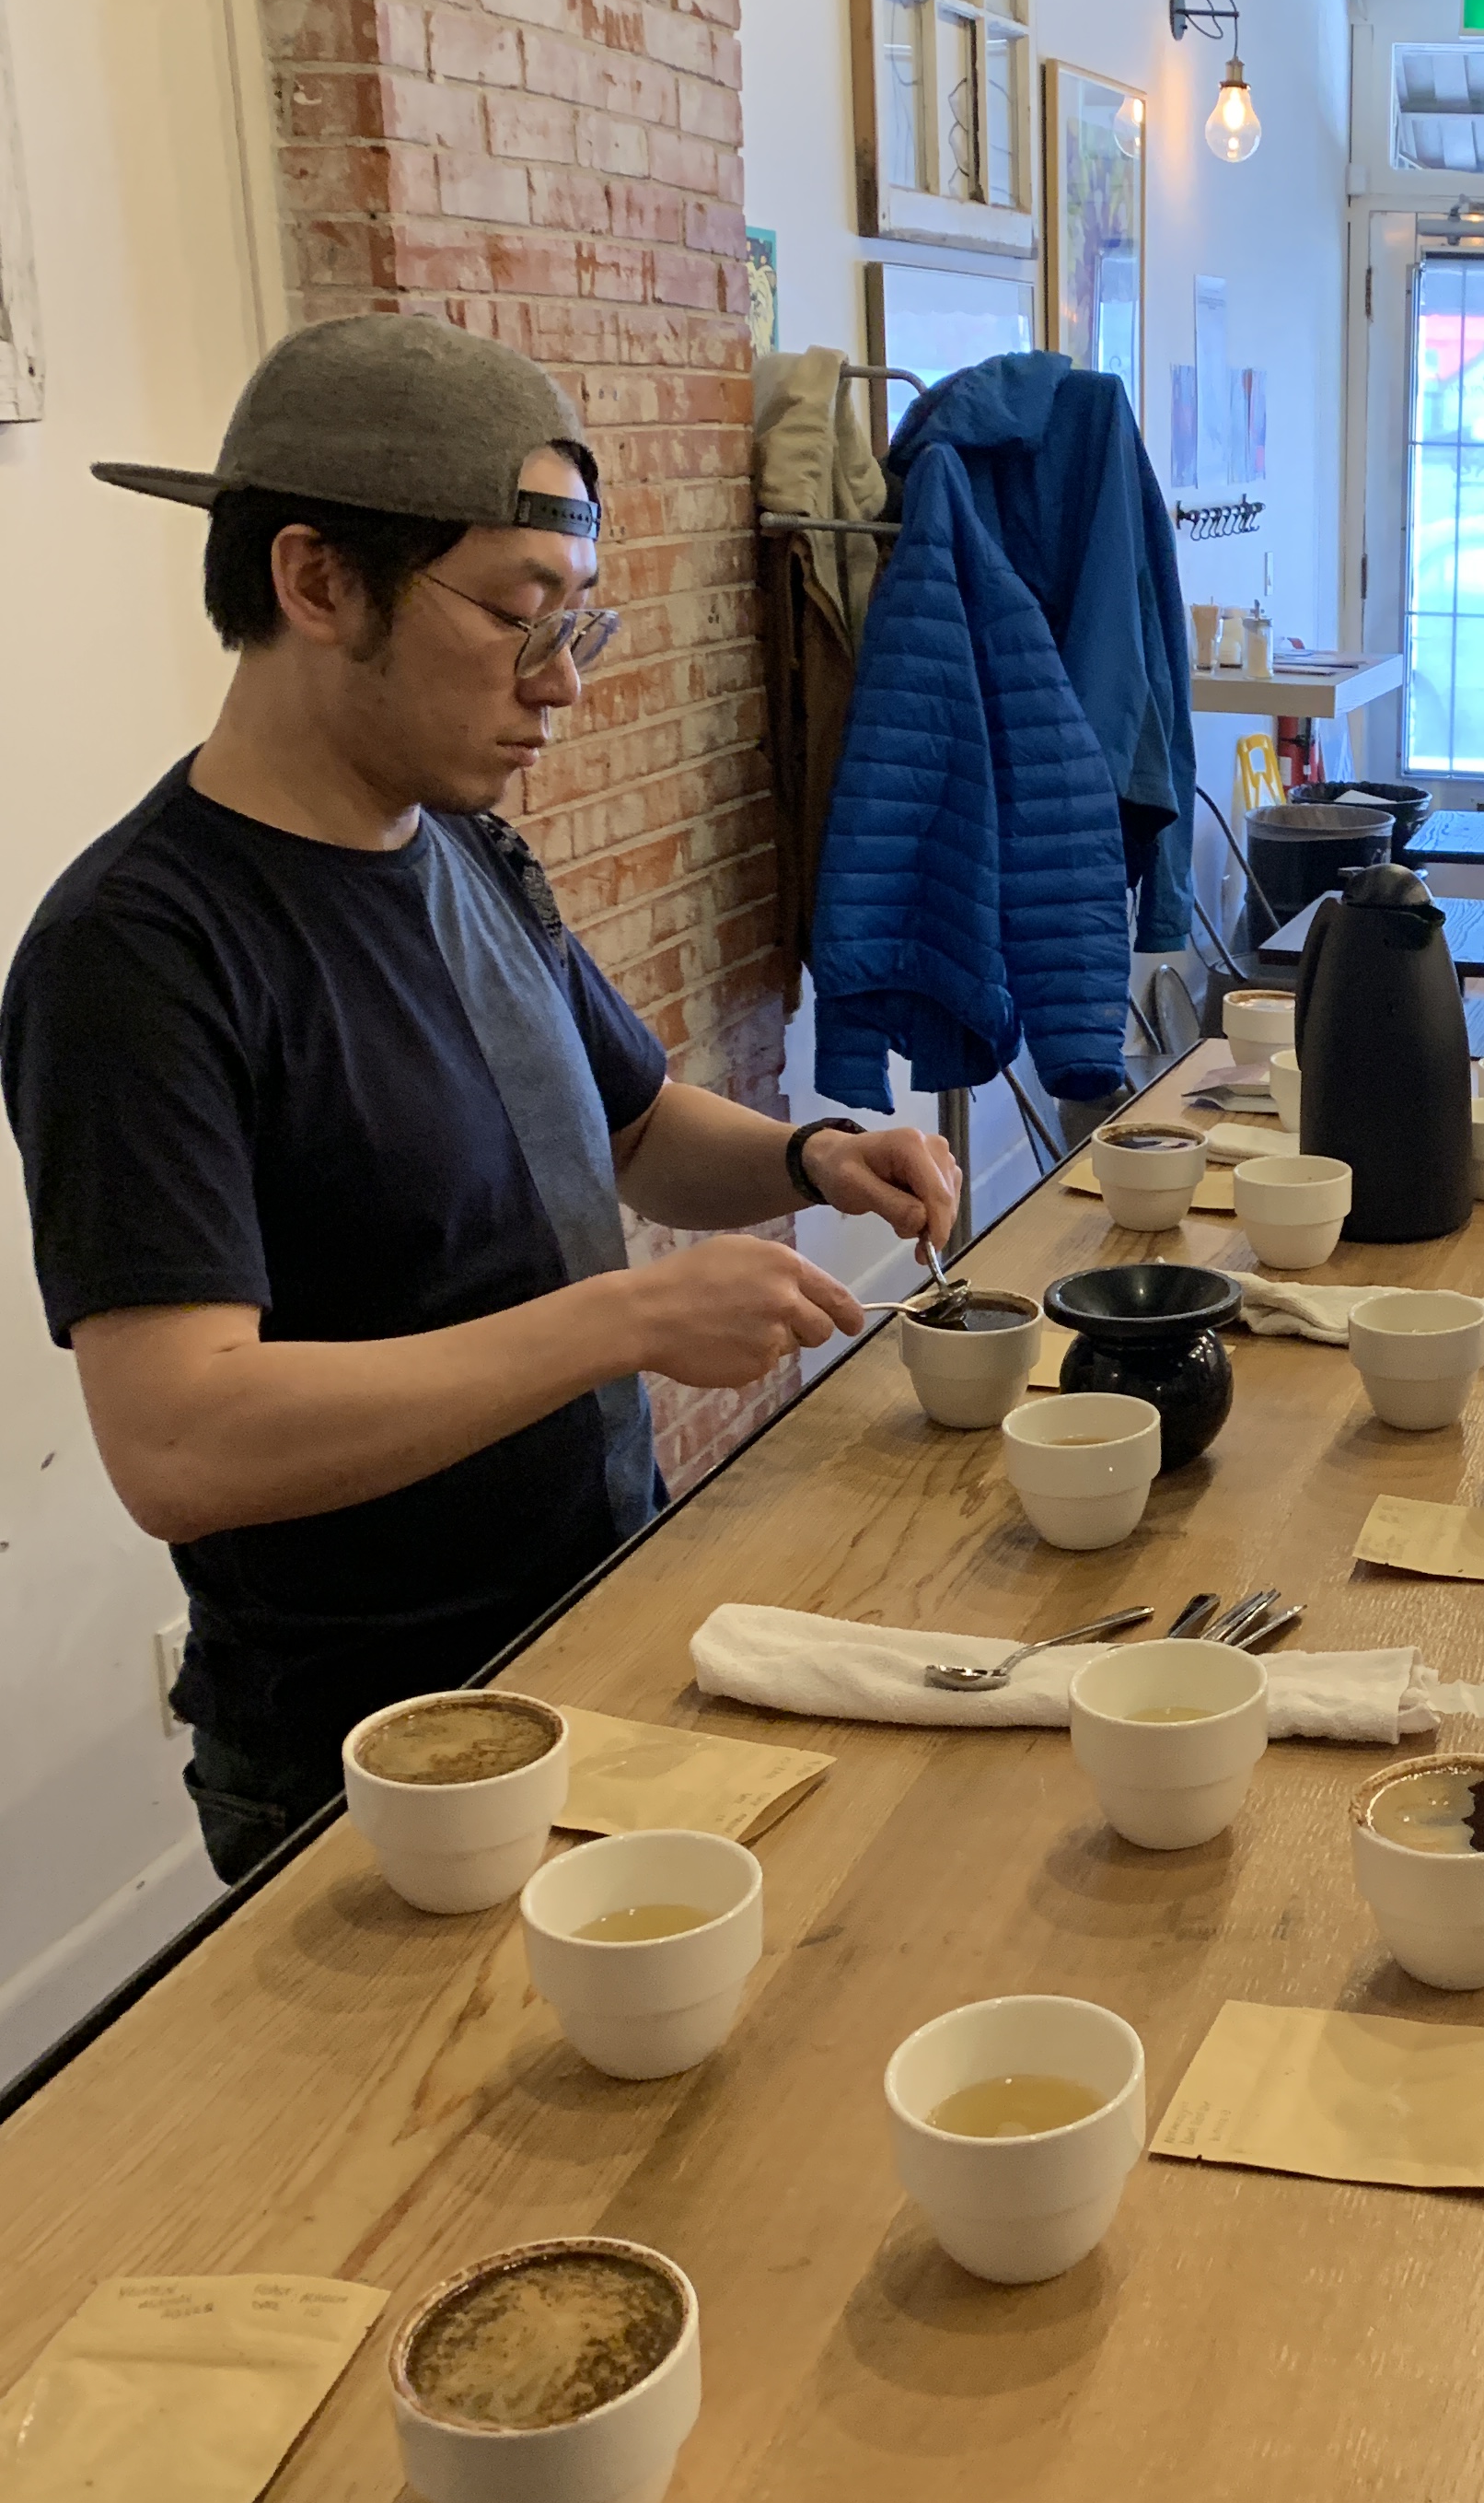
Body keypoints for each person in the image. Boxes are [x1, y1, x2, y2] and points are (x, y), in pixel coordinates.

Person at [3, 319, 957, 1888]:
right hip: (374, 1762)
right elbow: (181, 1440)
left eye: (577, 621)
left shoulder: (461, 849)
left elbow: (631, 1130)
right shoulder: (140, 953)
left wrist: (815, 1155)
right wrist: (623, 1321)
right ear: (317, 583)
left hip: (597, 1624)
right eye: (520, 618)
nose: (561, 683)